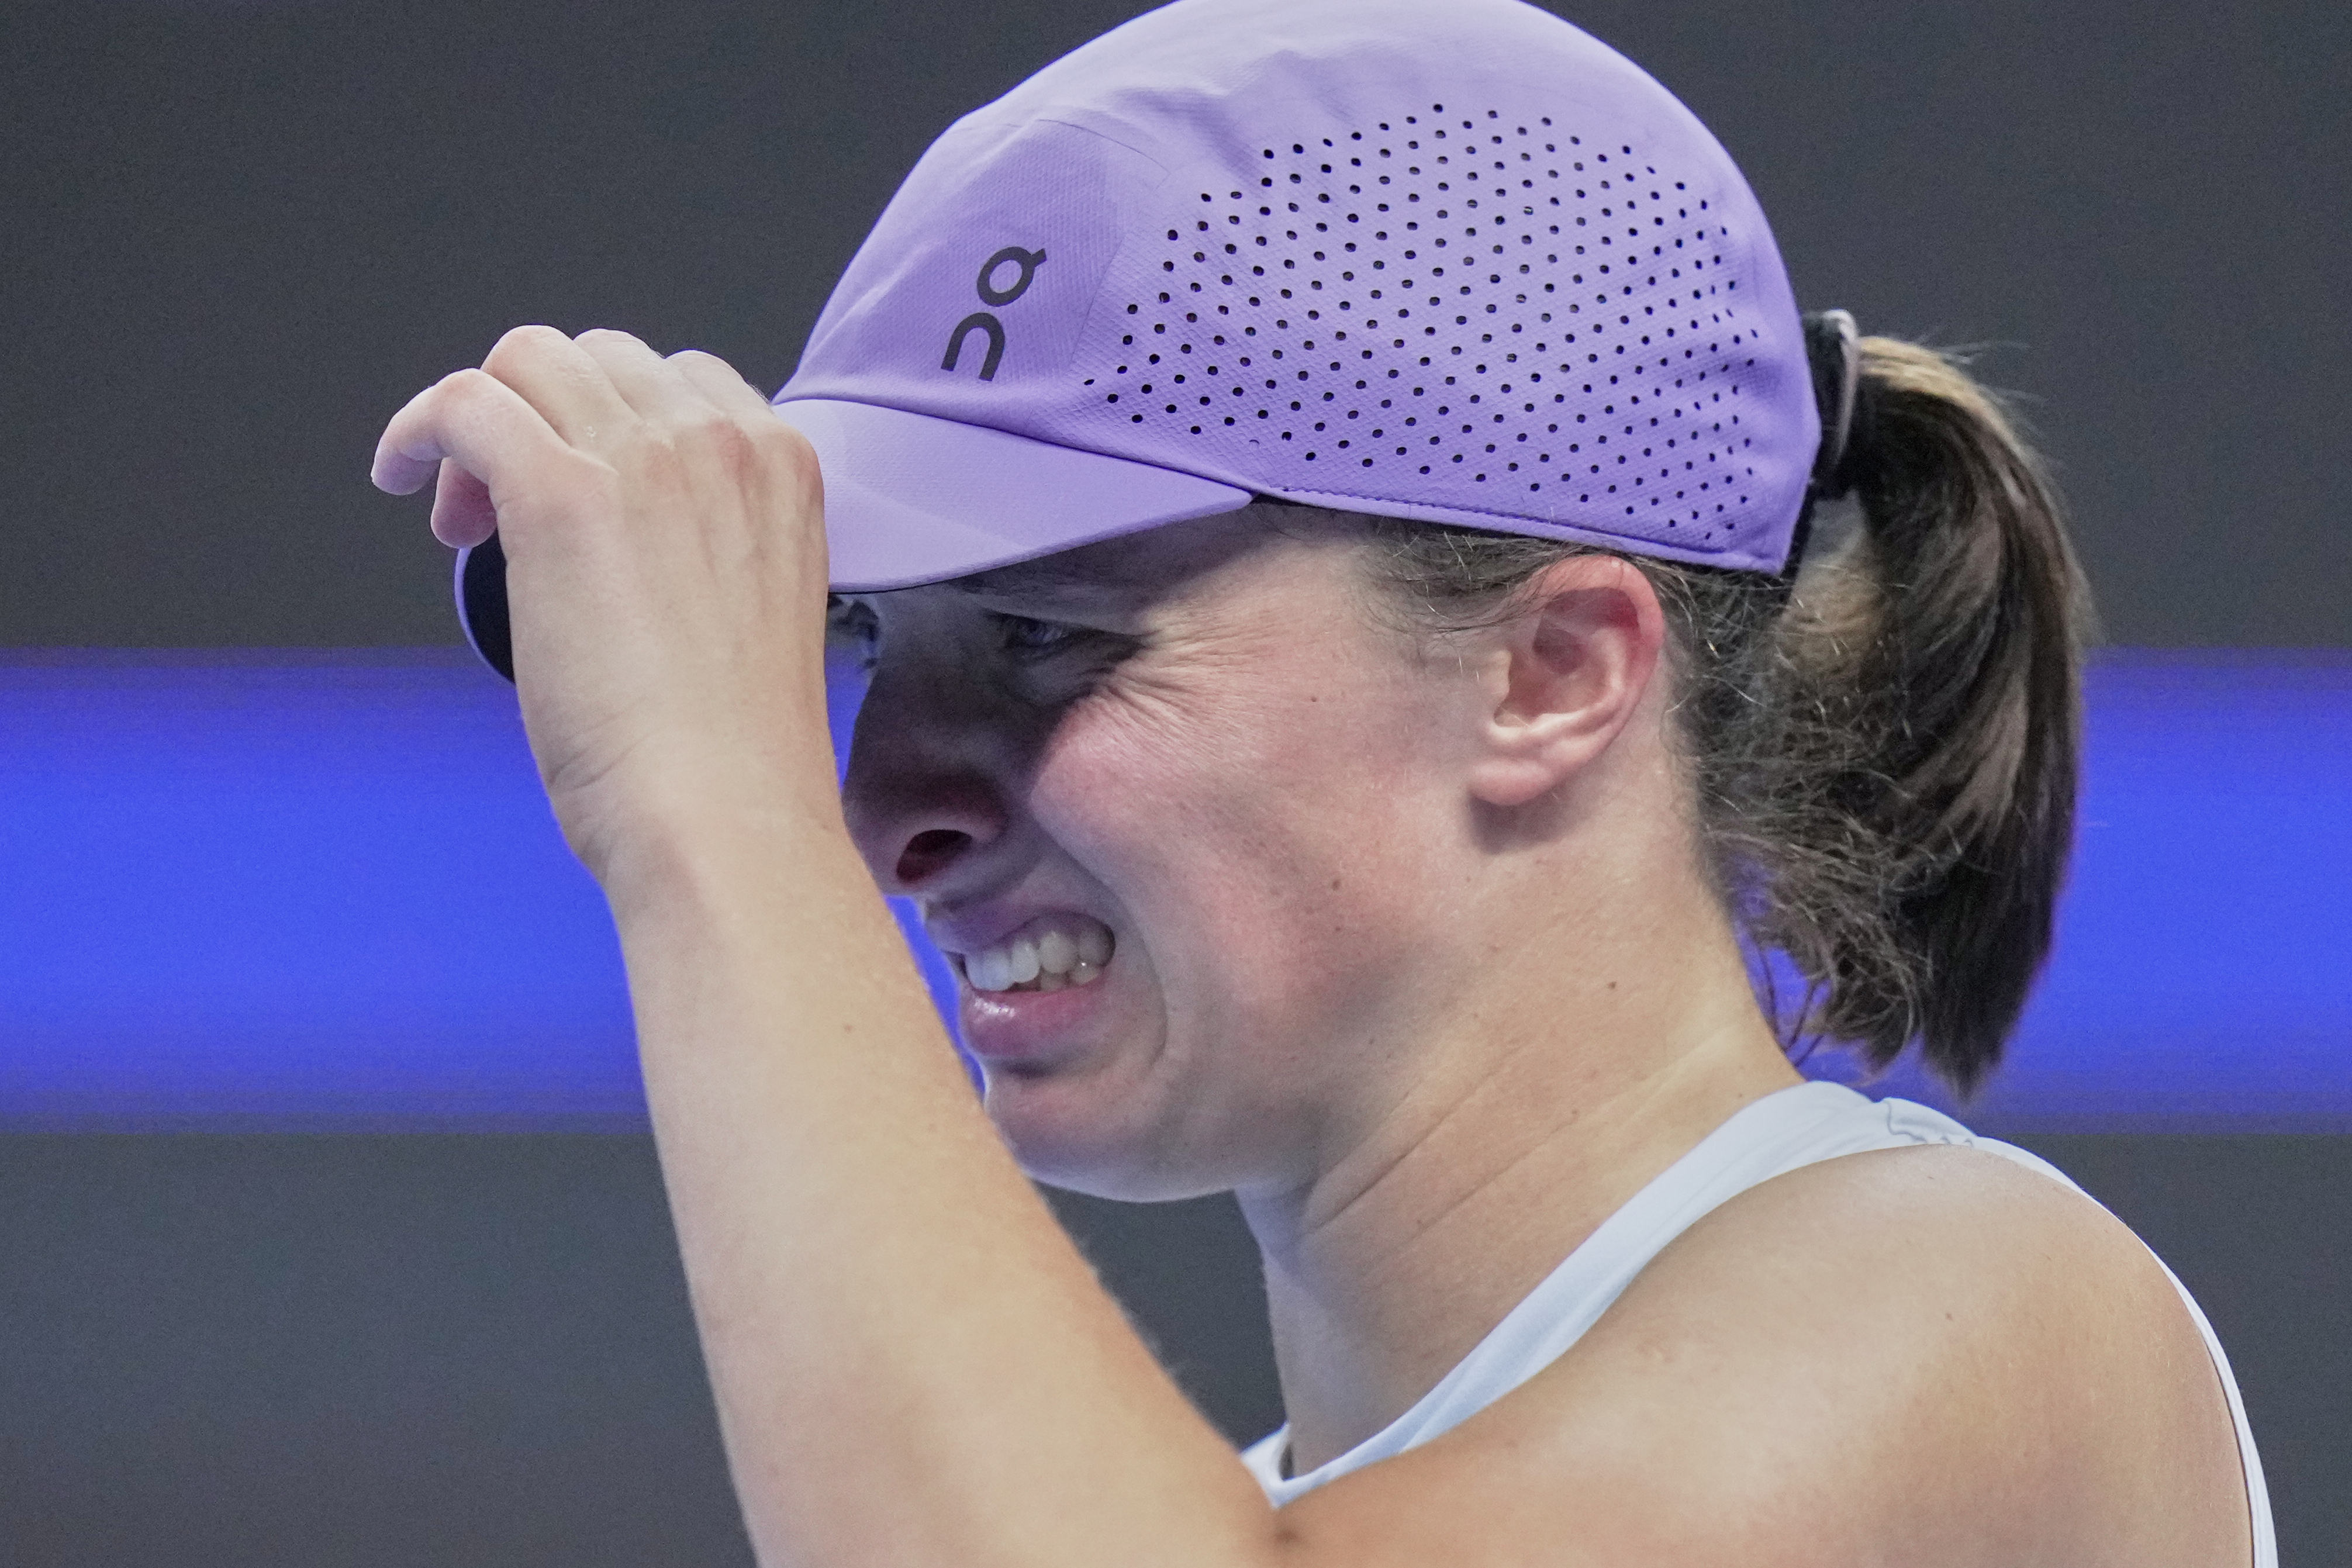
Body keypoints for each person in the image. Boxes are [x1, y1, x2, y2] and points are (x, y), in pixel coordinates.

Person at [371, 0, 2274, 1561]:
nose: (884, 811)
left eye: (1047, 636)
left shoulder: (1966, 1300)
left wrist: (719, 816)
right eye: (873, 640)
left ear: (1553, 674)